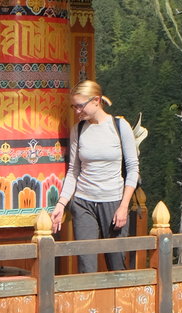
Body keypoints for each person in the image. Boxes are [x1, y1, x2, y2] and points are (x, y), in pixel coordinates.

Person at [50, 80, 140, 273]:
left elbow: (133, 168)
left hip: (113, 201)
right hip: (83, 202)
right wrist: (61, 204)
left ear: (96, 101)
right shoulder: (79, 130)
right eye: (74, 106)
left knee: (117, 264)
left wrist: (124, 206)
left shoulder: (119, 126)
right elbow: (73, 171)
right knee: (86, 264)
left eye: (80, 106)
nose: (76, 111)